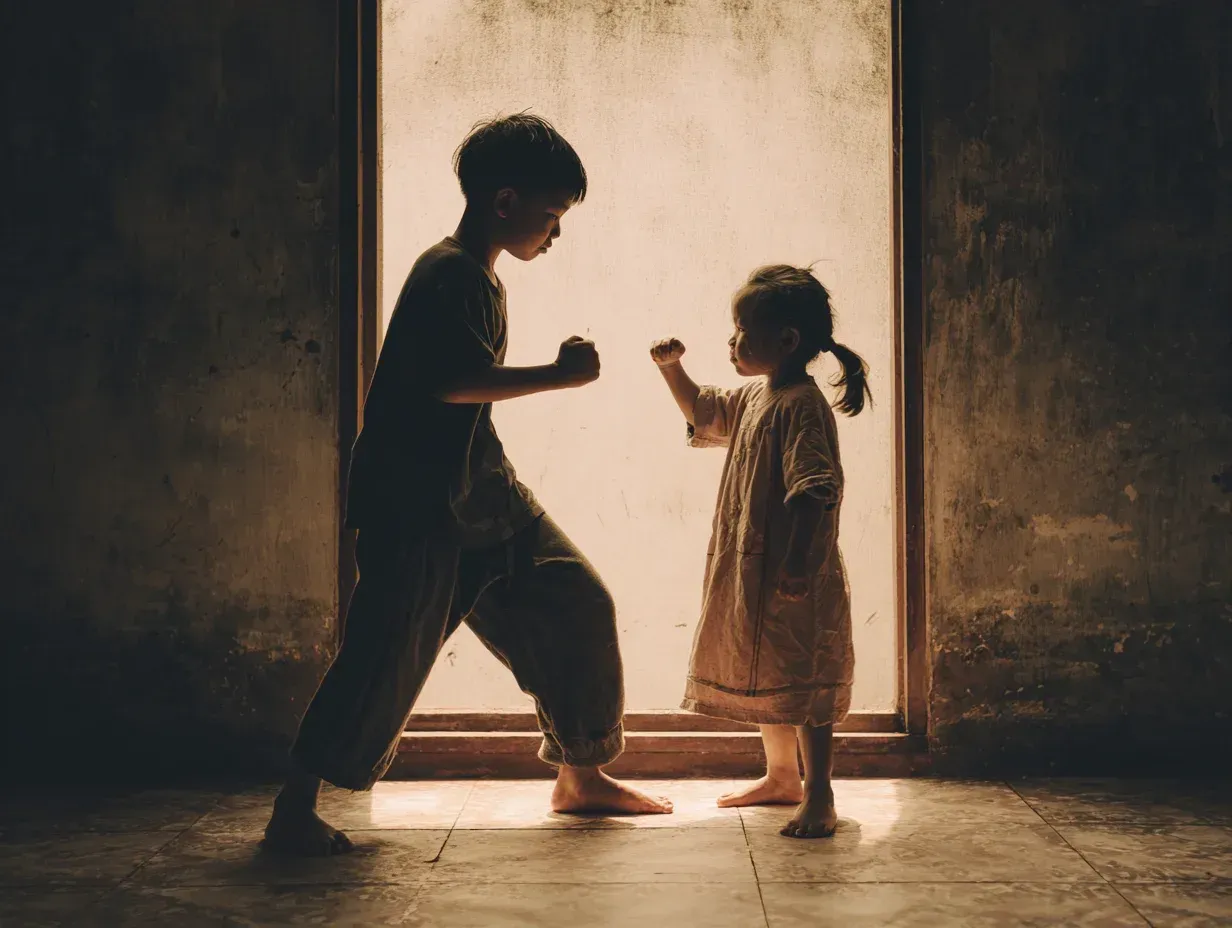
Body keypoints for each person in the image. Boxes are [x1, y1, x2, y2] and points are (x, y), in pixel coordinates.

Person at [263, 113, 673, 857]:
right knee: (382, 656)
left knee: (576, 601)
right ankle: (293, 811)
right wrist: (559, 375)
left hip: (484, 496)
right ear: (506, 202)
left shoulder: (478, 273)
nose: (556, 234)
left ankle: (581, 775)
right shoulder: (448, 272)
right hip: (418, 510)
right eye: (551, 216)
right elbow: (449, 382)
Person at [650, 264, 870, 839]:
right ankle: (781, 777)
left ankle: (818, 789)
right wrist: (672, 370)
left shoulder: (801, 405)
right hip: (756, 570)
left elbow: (814, 489)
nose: (732, 341)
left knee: (805, 681)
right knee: (771, 672)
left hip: (796, 572)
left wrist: (798, 562)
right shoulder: (755, 396)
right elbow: (703, 410)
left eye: (743, 330)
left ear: (788, 341)